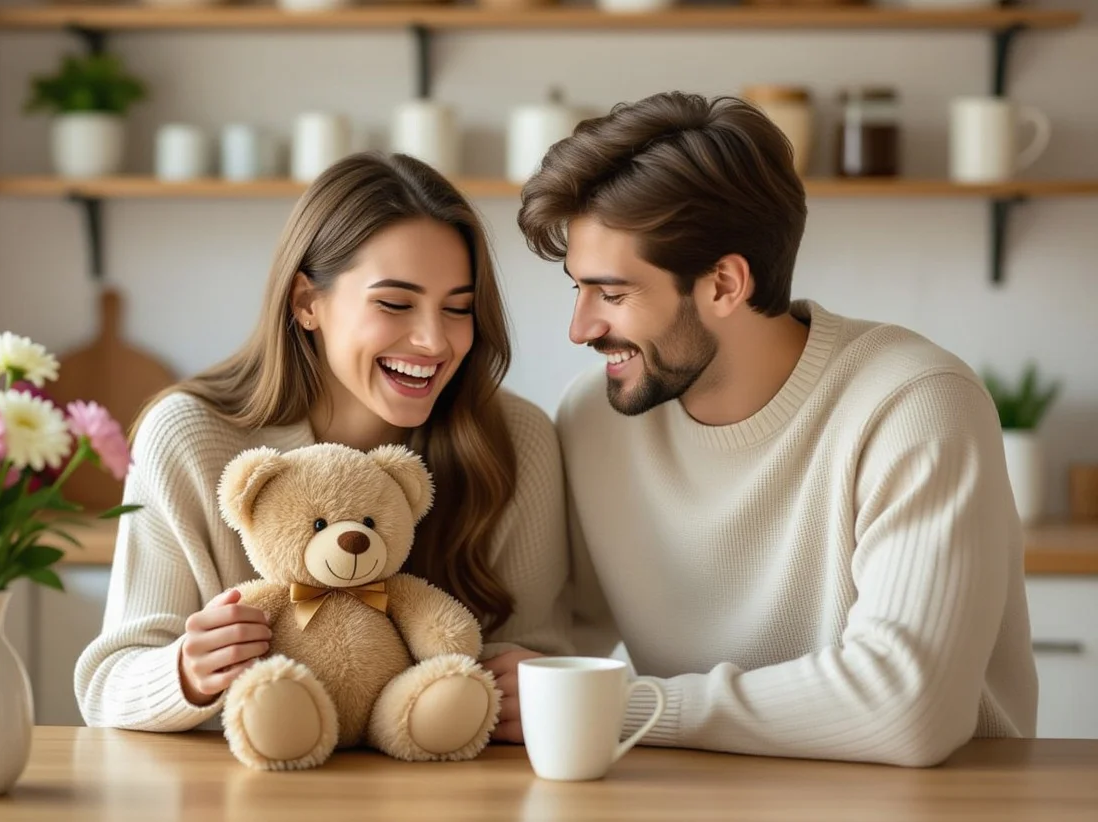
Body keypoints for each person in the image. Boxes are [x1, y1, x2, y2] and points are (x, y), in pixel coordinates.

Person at [512, 91, 1038, 767]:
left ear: (725, 284)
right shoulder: (596, 417)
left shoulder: (916, 405)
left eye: (612, 295)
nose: (580, 328)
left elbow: (909, 709)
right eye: (576, 289)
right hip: (696, 805)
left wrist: (628, 707)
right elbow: (556, 647)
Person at [75, 153, 570, 742]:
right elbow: (108, 684)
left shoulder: (517, 440)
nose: (435, 340)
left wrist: (535, 682)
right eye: (394, 303)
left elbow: (547, 653)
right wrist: (185, 671)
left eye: (458, 309)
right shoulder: (188, 437)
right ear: (307, 302)